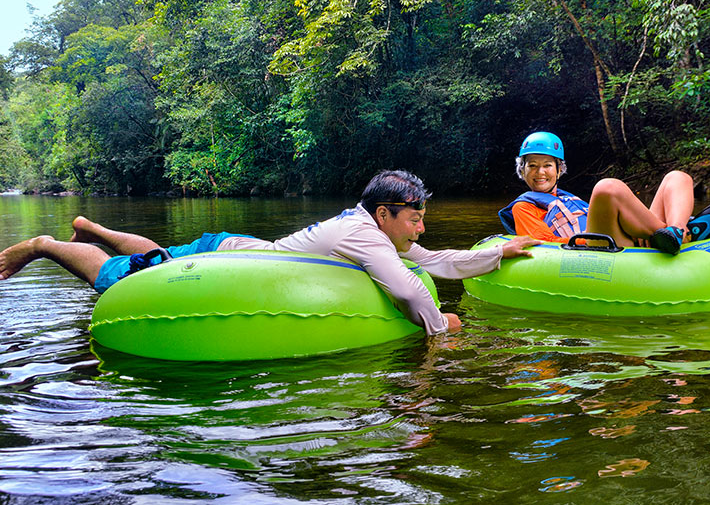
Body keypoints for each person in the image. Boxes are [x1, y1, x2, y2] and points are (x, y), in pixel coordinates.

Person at [0, 170, 536, 335]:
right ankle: (45, 244)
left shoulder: (379, 234)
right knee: (119, 278)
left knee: (159, 252)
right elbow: (409, 287)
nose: (421, 228)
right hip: (227, 260)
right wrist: (442, 331)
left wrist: (499, 252)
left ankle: (90, 225)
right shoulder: (366, 237)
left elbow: (438, 260)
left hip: (241, 247)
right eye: (415, 218)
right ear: (384, 215)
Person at [498, 131, 710, 254]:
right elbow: (544, 245)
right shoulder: (524, 206)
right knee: (607, 187)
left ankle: (677, 232)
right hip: (595, 247)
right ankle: (677, 234)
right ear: (523, 170)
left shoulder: (569, 198)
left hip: (626, 237)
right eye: (532, 165)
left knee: (678, 177)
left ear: (559, 170)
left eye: (547, 165)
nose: (540, 172)